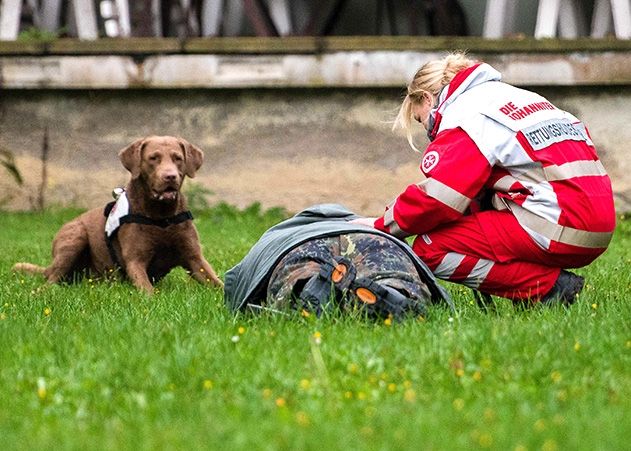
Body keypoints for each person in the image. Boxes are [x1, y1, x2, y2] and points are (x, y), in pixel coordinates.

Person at [353, 52, 615, 305]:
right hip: (600, 223)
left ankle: (548, 289)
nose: (429, 131)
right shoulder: (517, 98)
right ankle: (533, 292)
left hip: (560, 225)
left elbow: (439, 198)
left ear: (426, 99)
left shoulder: (466, 114)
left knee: (429, 249)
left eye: (422, 121)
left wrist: (382, 225)